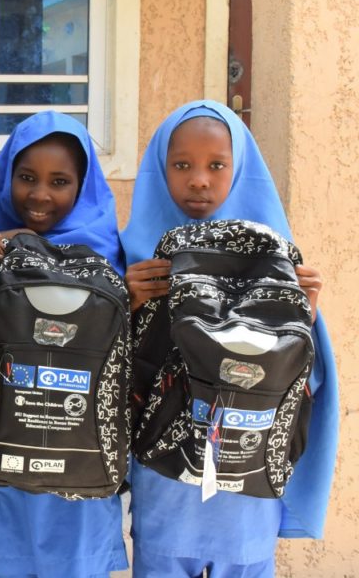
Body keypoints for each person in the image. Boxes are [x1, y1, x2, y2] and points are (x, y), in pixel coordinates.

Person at [121, 100, 339, 578]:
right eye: (181, 165)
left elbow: (305, 379)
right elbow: (113, 371)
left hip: (249, 481)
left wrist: (304, 316)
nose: (199, 179)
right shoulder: (138, 258)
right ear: (160, 167)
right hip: (165, 484)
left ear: (240, 169)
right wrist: (125, 302)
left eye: (217, 165)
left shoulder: (278, 258)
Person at [0, 110, 129, 578]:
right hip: (8, 452)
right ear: (5, 177)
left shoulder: (110, 254)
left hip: (84, 463)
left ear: (84, 185)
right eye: (26, 177)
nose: (39, 195)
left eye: (60, 181)